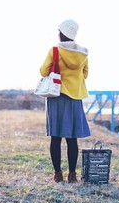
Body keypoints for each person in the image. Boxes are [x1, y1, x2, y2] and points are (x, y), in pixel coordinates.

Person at [39, 19, 91, 183]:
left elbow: (43, 71)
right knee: (72, 138)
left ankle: (58, 174)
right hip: (74, 98)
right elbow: (85, 74)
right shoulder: (83, 53)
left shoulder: (55, 50)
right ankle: (72, 175)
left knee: (56, 137)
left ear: (62, 33)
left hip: (57, 96)